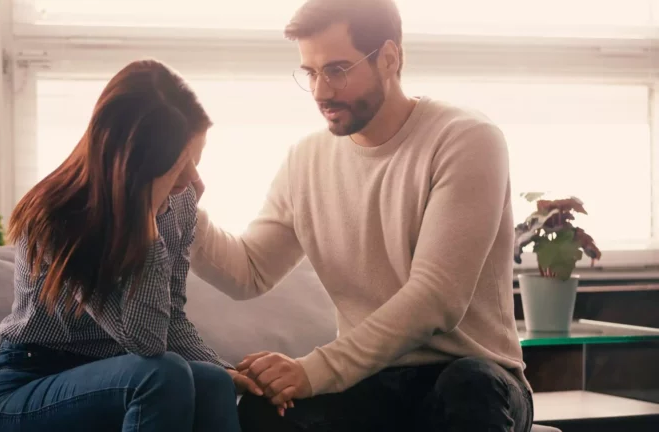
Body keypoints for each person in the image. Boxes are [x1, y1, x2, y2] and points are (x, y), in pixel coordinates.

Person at [188, 0, 534, 431]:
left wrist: (312, 370)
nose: (321, 92)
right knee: (264, 413)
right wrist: (179, 202)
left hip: (478, 377)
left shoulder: (466, 139)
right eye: (311, 73)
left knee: (468, 387)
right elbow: (250, 271)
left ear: (389, 58)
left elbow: (436, 298)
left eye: (337, 70)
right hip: (374, 381)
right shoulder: (306, 160)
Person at [0, 60, 258, 432]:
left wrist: (225, 370)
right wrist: (147, 222)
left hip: (115, 380)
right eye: (180, 164)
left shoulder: (180, 203)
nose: (194, 179)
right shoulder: (58, 217)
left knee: (214, 383)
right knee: (162, 373)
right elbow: (146, 343)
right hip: (26, 384)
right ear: (134, 163)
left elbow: (171, 319)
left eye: (197, 159)